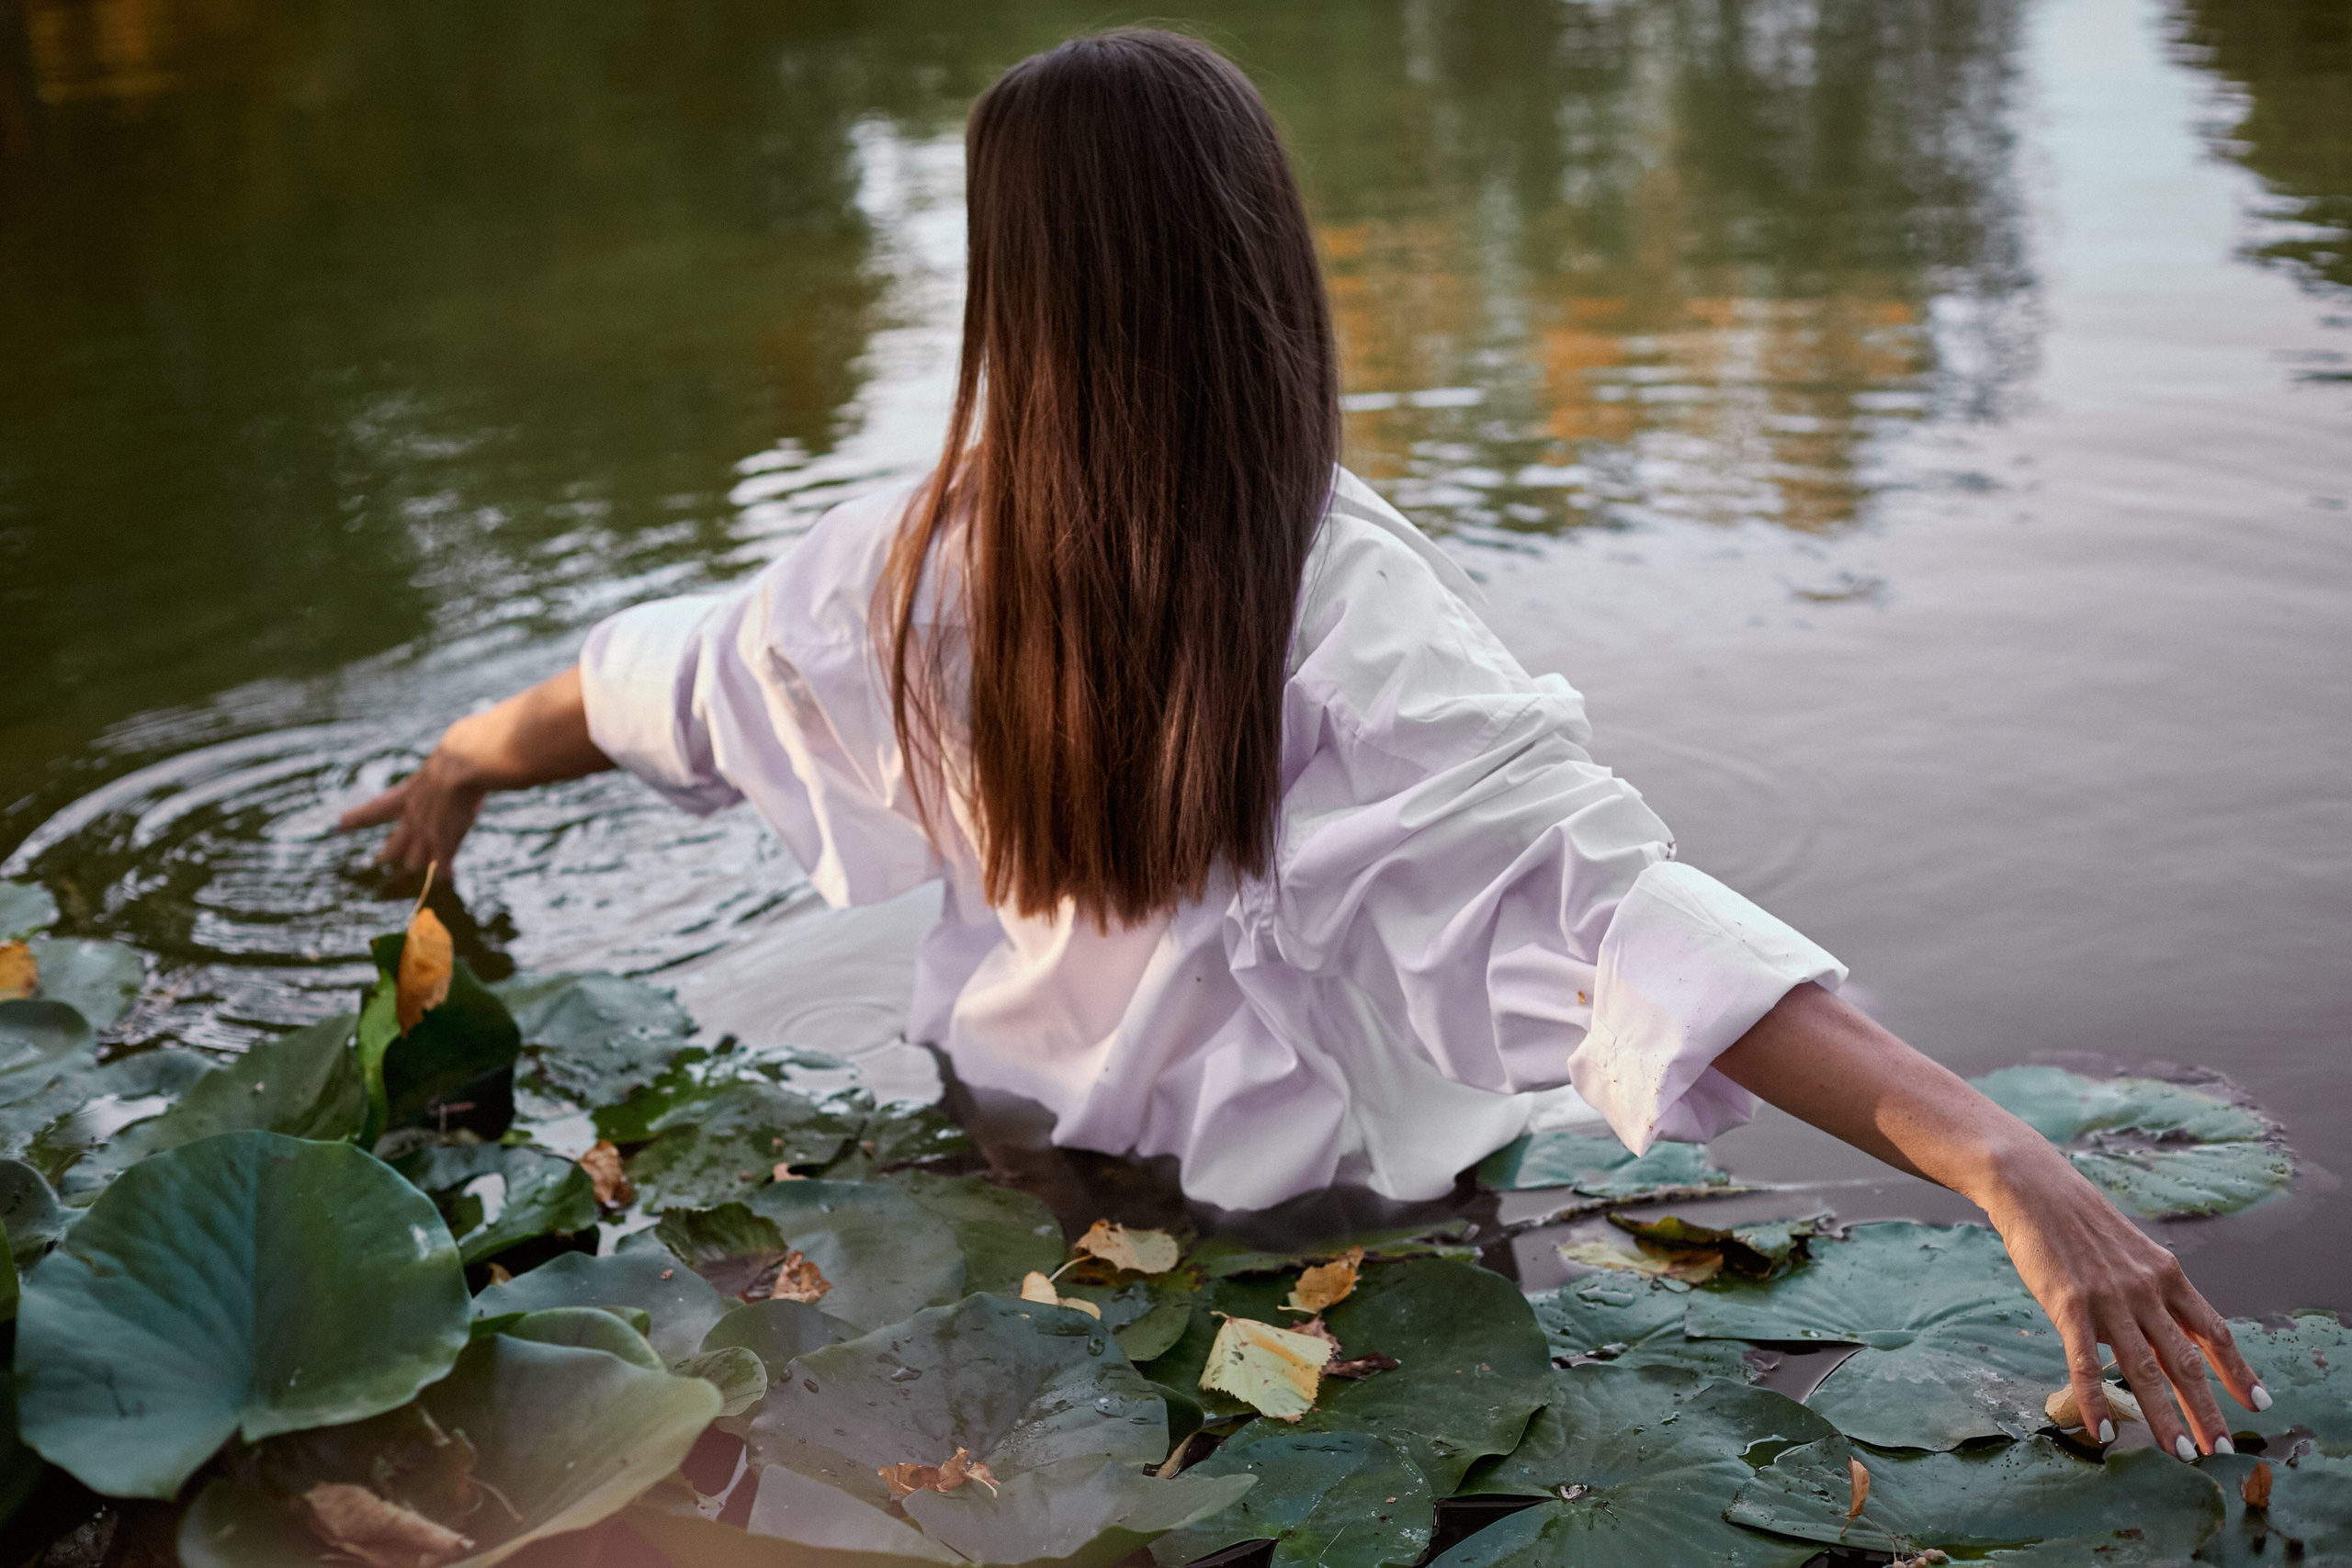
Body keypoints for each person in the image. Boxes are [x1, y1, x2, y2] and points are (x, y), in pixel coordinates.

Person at [340, 27, 2265, 1461]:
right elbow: (1605, 908)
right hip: (1344, 1244)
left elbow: (637, 686)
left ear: (1009, 287)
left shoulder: (898, 561)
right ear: (1256, 256)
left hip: (1003, 1168)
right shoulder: (1332, 594)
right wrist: (2003, 1155)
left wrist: (456, 765)